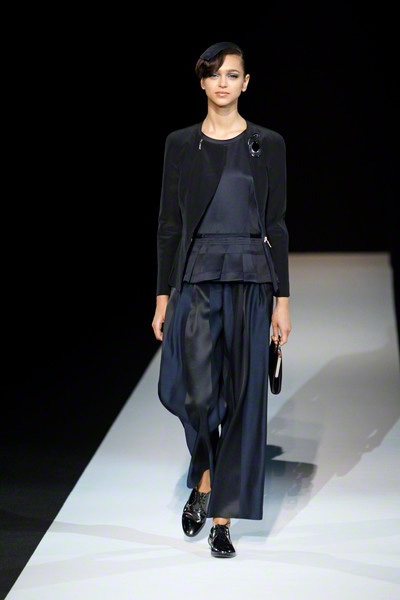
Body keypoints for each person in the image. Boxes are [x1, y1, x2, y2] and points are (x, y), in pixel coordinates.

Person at [152, 41, 291, 558]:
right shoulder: (180, 143)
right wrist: (162, 295)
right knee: (192, 392)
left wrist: (283, 299)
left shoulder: (267, 143)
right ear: (203, 82)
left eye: (233, 75)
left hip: (251, 279)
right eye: (214, 75)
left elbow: (276, 222)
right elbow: (169, 225)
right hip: (195, 277)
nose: (223, 83)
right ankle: (205, 475)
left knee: (241, 395)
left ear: (246, 83)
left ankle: (222, 517)